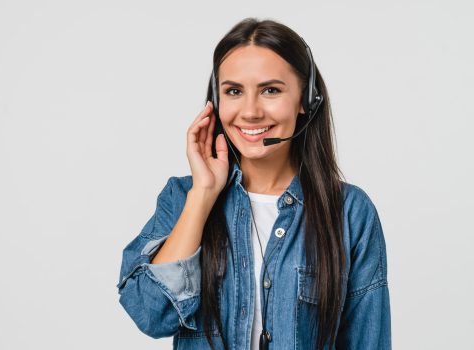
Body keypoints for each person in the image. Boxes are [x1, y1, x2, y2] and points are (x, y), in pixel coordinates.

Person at [116, 17, 391, 350]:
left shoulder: (350, 212)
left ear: (306, 99)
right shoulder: (183, 197)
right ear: (215, 103)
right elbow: (150, 313)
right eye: (233, 91)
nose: (250, 111)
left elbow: (368, 342)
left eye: (270, 90)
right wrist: (203, 193)